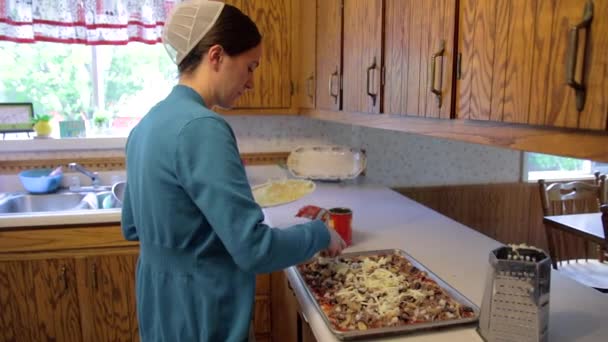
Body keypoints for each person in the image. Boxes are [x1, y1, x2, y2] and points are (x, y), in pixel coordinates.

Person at [120, 1, 346, 341]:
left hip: (159, 307)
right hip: (203, 311)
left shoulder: (146, 125)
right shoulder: (203, 128)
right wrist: (319, 234)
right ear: (216, 56)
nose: (251, 82)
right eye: (250, 66)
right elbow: (254, 249)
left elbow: (132, 226)